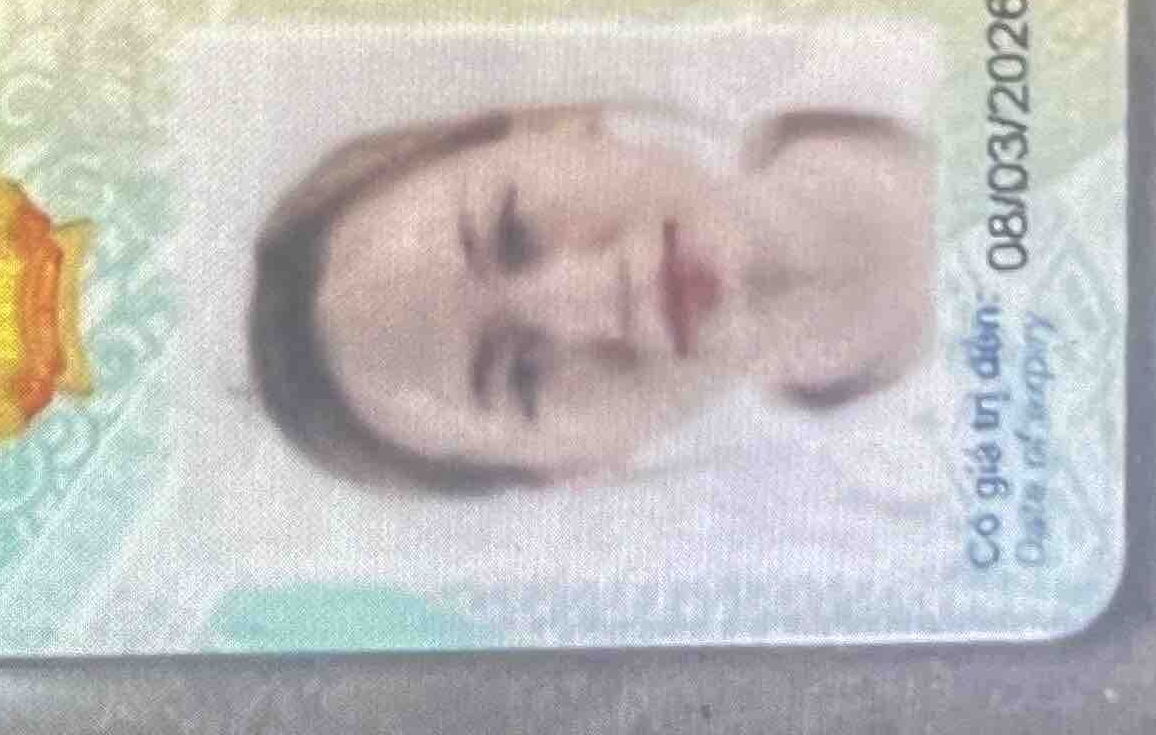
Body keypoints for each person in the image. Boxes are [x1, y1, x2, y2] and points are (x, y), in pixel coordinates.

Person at [245, 100, 933, 494]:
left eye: (513, 234)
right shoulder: (894, 503)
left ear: (557, 124)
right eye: (522, 376)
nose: (597, 297)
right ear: (574, 467)